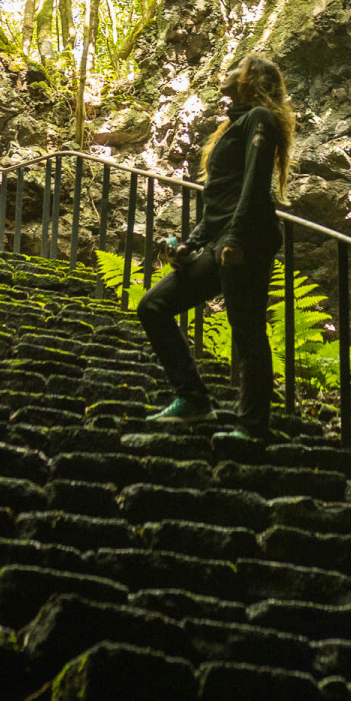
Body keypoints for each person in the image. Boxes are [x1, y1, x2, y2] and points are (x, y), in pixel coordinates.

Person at [136, 51, 295, 442]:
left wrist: (236, 237)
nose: (228, 71)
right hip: (223, 239)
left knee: (247, 332)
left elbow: (254, 185)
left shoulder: (259, 119)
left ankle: (253, 427)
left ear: (251, 80)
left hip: (247, 242)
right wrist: (191, 243)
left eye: (237, 67)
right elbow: (219, 197)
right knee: (153, 306)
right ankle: (193, 399)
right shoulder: (233, 125)